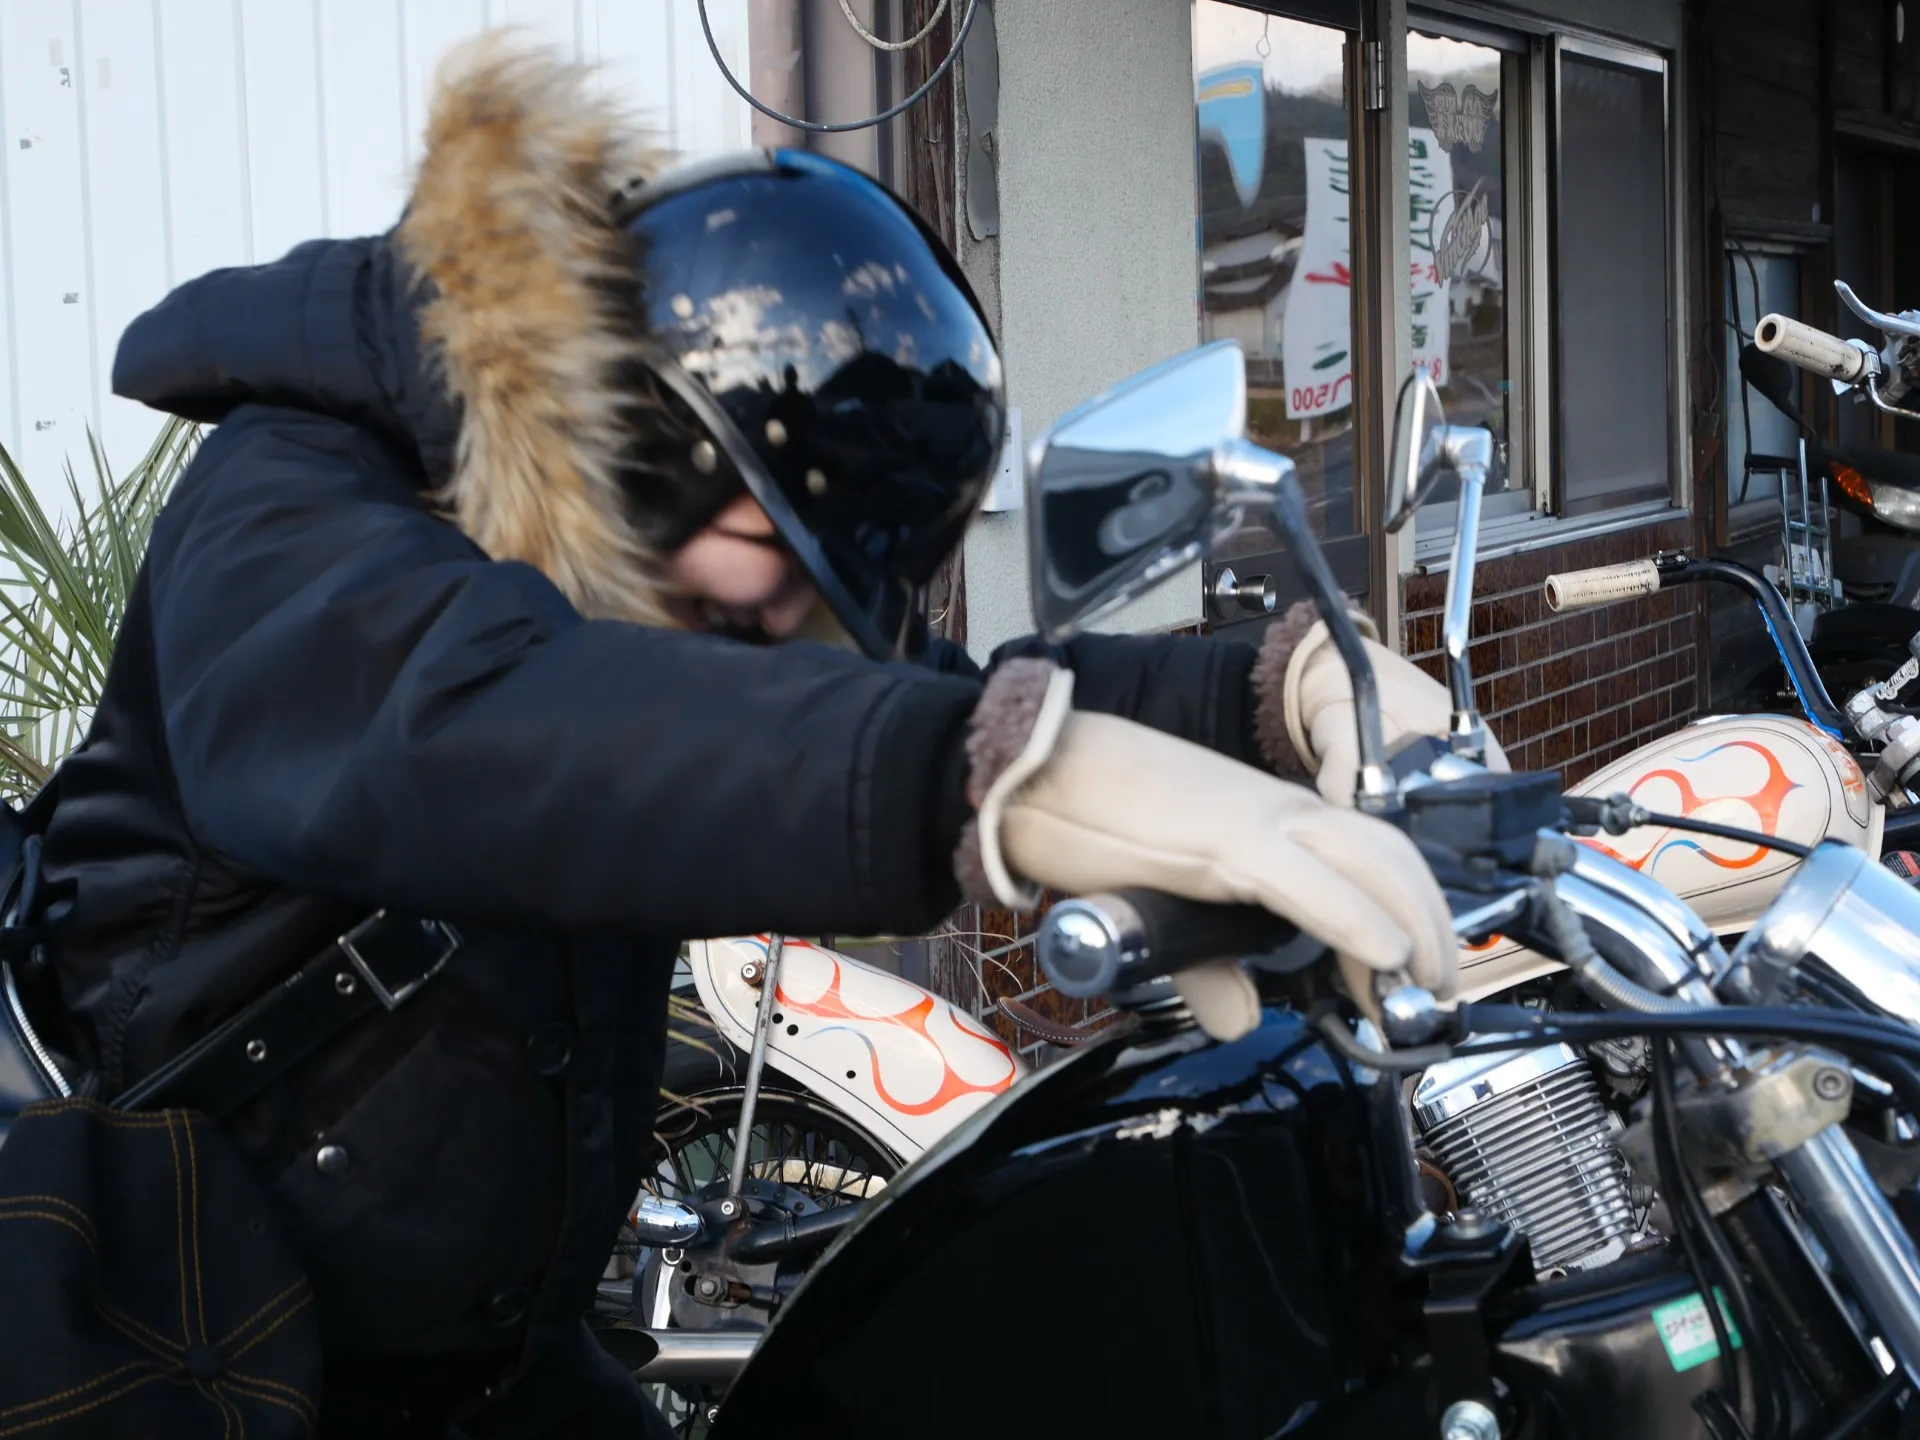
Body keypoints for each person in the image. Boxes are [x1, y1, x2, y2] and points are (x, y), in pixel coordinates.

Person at [20, 32, 1467, 1439]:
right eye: (764, 575)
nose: (773, 633)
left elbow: (933, 693)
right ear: (653, 435)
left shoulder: (664, 576)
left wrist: (1270, 698)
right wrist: (970, 780)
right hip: (179, 1337)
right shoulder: (294, 500)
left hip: (480, 1365)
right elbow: (479, 729)